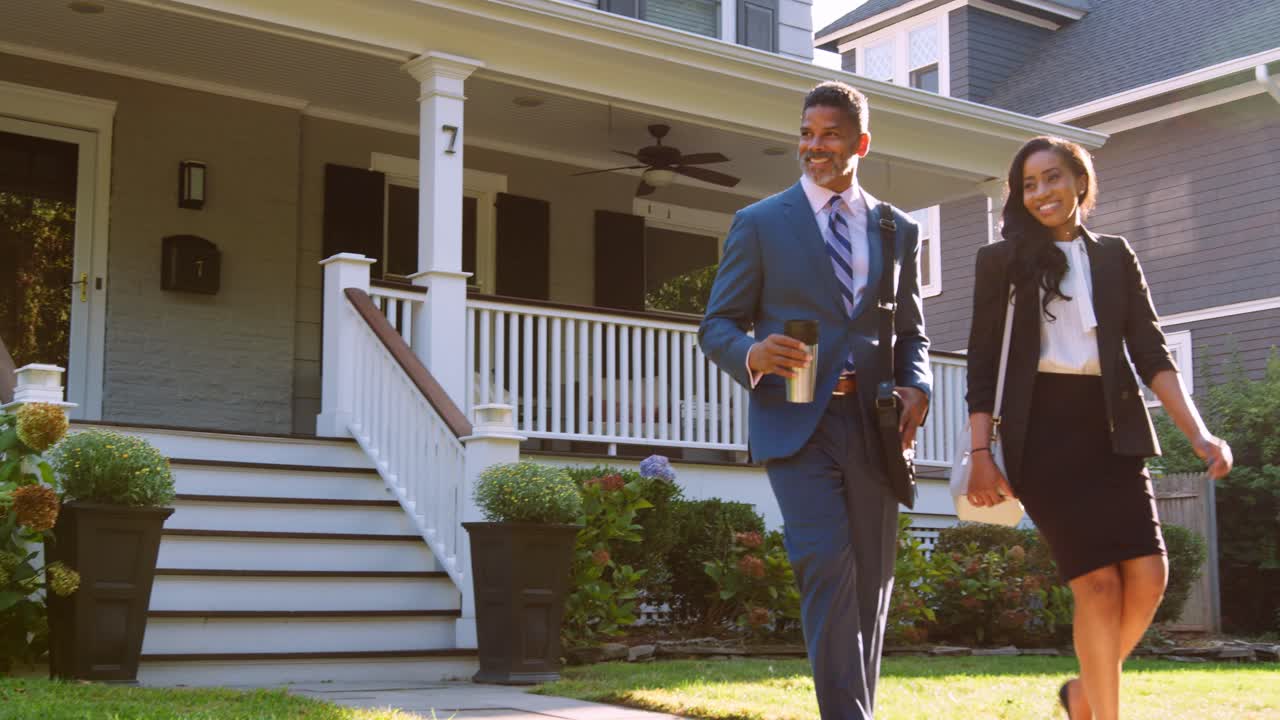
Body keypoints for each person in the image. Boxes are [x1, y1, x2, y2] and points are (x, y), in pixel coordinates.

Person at [965, 136, 1232, 720]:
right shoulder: (1001, 261)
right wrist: (981, 450)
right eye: (1028, 185)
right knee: (1097, 587)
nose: (1041, 193)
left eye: (1052, 178)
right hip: (1042, 434)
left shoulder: (1114, 255)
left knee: (1150, 574)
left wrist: (1199, 433)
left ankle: (1084, 694)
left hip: (1113, 427)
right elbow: (982, 366)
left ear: (1079, 182)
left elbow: (1153, 354)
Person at [699, 81, 931, 719]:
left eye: (828, 134)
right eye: (806, 133)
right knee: (825, 566)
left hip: (875, 421)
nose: (813, 146)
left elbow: (910, 332)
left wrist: (920, 384)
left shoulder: (896, 228)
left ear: (860, 143)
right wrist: (752, 353)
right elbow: (716, 325)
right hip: (797, 413)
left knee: (873, 582)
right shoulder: (761, 223)